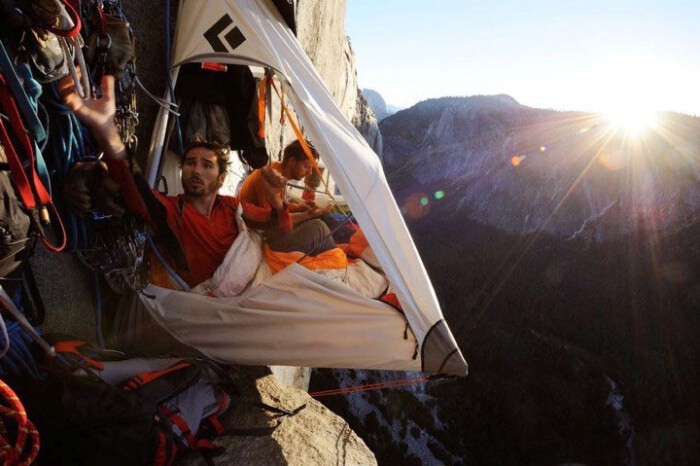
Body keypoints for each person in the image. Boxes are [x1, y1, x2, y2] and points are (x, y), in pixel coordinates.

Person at [60, 74, 335, 288]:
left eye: (206, 165)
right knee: (320, 232)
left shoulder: (230, 208)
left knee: (320, 231)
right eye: (190, 163)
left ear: (221, 178)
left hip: (248, 279)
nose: (196, 170)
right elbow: (137, 190)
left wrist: (278, 204)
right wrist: (107, 131)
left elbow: (276, 228)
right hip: (211, 296)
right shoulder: (172, 211)